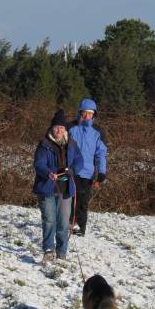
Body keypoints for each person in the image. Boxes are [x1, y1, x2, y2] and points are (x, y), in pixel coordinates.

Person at [33, 109, 81, 264]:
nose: (59, 130)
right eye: (56, 128)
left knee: (63, 223)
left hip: (66, 189)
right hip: (47, 188)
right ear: (51, 129)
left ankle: (61, 252)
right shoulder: (44, 145)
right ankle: (48, 250)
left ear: (65, 130)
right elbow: (39, 164)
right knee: (49, 220)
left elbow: (79, 162)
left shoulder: (72, 144)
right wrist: (49, 173)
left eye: (61, 128)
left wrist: (71, 170)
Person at [68, 98, 108, 236]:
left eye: (89, 113)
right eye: (84, 113)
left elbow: (101, 154)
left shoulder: (98, 132)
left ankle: (81, 226)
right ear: (79, 113)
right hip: (71, 171)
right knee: (71, 198)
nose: (86, 116)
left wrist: (101, 173)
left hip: (88, 173)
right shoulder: (71, 128)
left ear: (93, 115)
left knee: (83, 201)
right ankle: (69, 223)